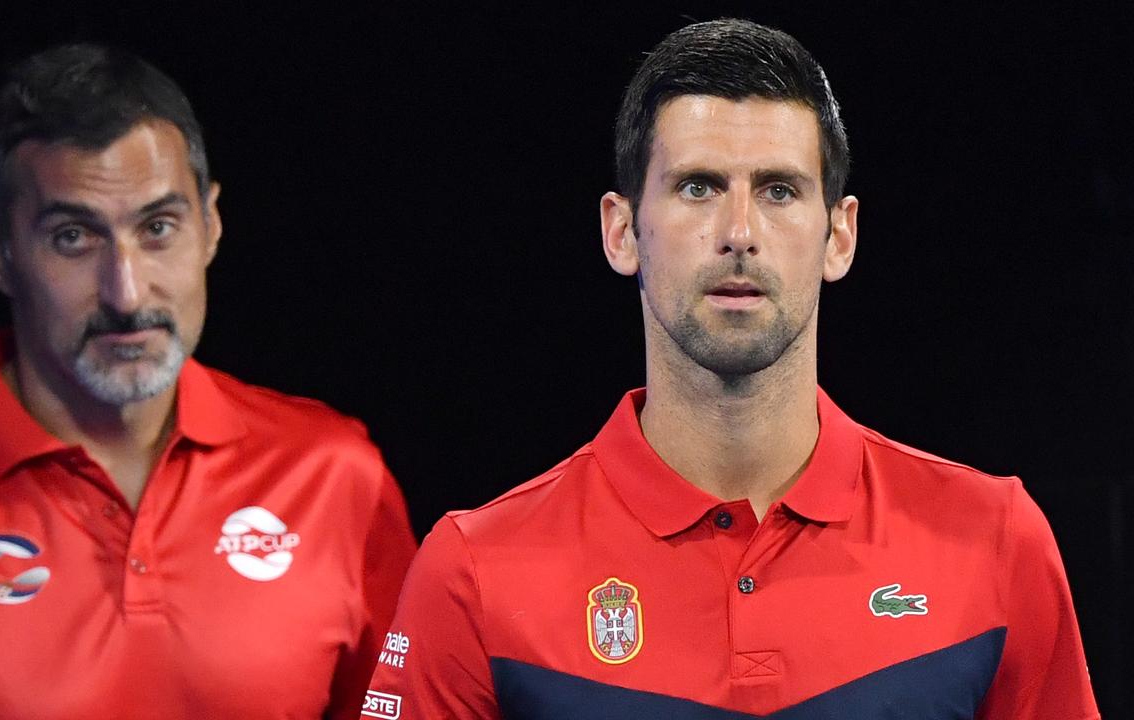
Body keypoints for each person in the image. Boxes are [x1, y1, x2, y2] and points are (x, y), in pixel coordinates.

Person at [365, 18, 1098, 719]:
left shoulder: (995, 543)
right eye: (698, 187)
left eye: (778, 190)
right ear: (621, 231)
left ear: (839, 235)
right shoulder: (474, 573)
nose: (739, 233)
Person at [0, 44, 415, 719]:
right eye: (73, 238)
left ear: (209, 227)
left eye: (157, 228)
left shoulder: (335, 477)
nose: (125, 291)